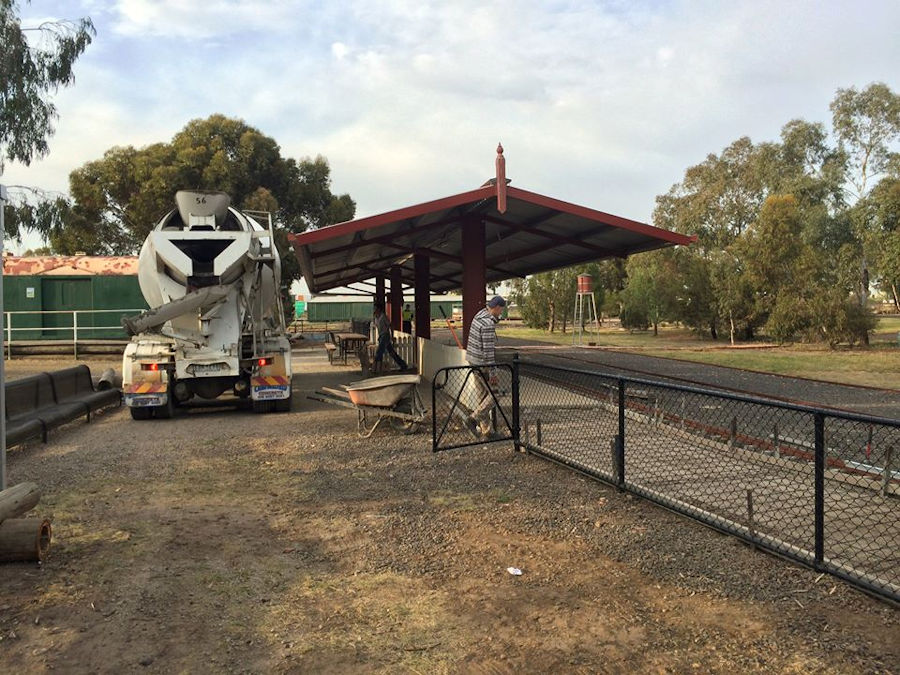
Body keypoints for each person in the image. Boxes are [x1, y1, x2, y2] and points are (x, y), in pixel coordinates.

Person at [465, 295, 506, 437]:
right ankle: (472, 419)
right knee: (496, 394)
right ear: (496, 307)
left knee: (482, 396)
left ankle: (486, 431)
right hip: (482, 364)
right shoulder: (488, 325)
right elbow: (488, 352)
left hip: (472, 361)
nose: (501, 313)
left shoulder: (479, 315)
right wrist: (493, 374)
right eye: (501, 310)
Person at [372, 301, 408, 373]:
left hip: (385, 335)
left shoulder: (383, 316)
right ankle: (403, 365)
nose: (374, 309)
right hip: (381, 335)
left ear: (379, 309)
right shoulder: (376, 317)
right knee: (392, 353)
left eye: (376, 308)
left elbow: (391, 325)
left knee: (379, 352)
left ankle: (376, 369)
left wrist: (392, 336)